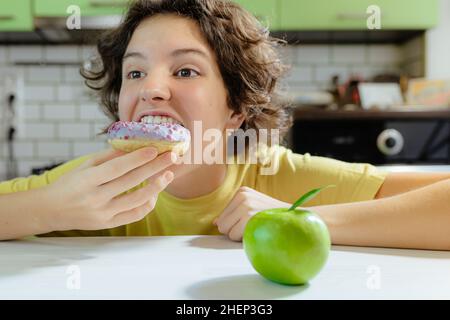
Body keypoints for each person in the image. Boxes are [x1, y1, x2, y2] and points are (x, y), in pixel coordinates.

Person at [1, 0, 449, 250]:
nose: (151, 89)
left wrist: (303, 221)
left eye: (185, 71)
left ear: (235, 109)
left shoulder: (276, 175)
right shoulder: (88, 186)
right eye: (134, 72)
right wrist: (51, 207)